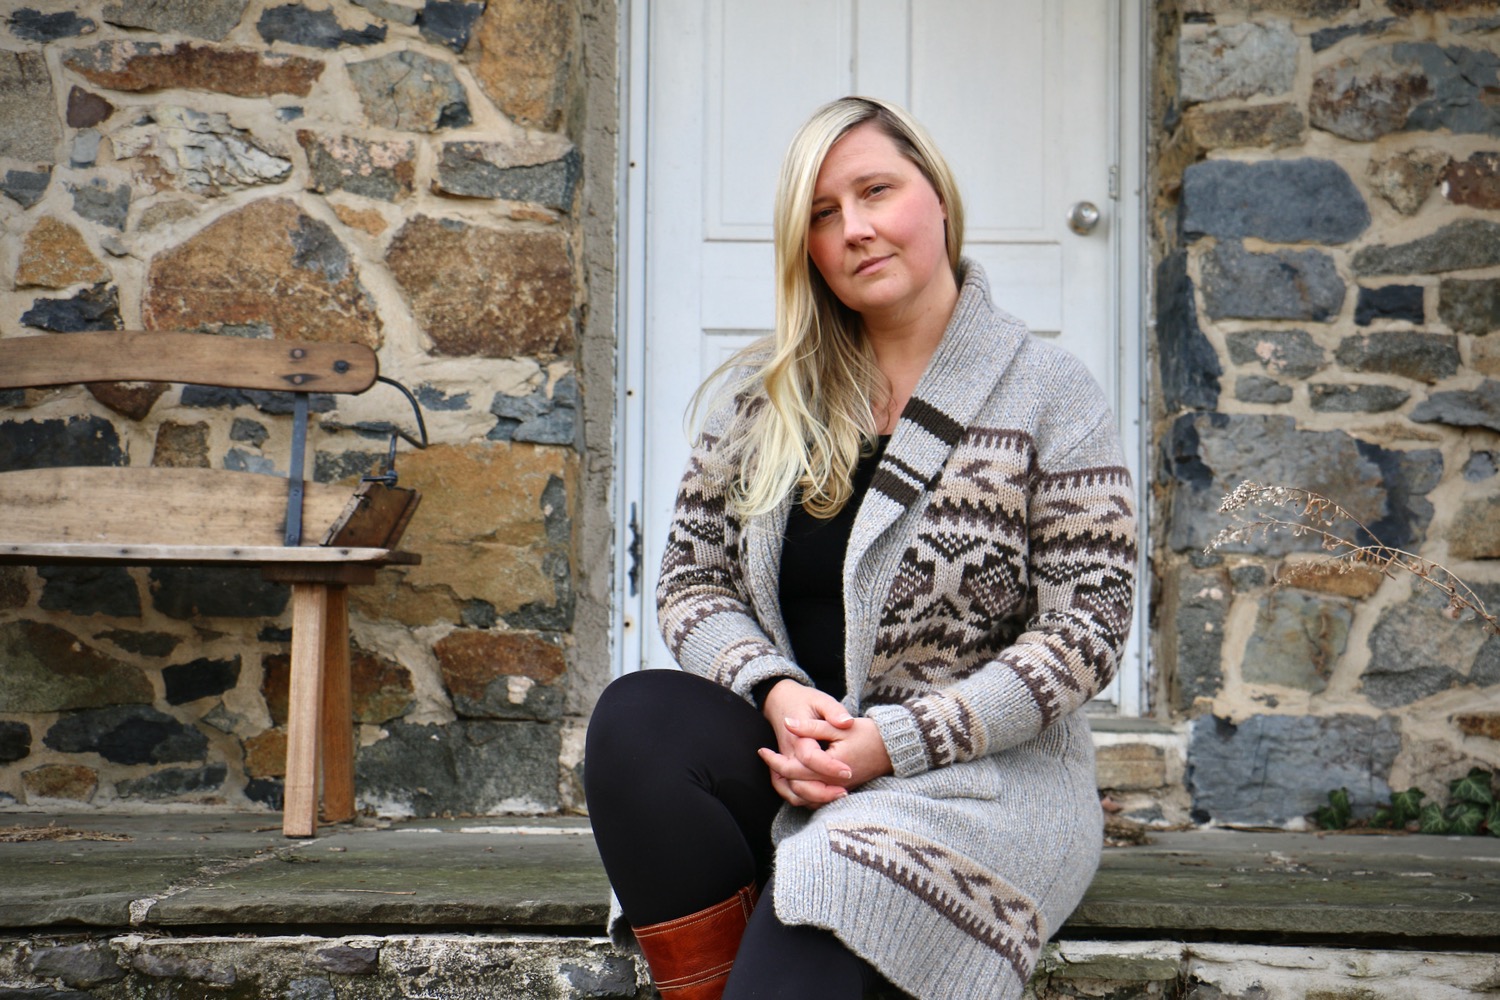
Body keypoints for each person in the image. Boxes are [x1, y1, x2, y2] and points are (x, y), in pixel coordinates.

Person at [585, 96, 1137, 1000]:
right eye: (822, 214)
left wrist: (893, 742)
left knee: (842, 863)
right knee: (637, 723)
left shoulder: (1049, 394)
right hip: (797, 757)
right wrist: (775, 690)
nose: (856, 229)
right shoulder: (771, 399)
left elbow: (1089, 626)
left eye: (876, 190)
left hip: (977, 786)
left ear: (939, 197)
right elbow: (690, 579)